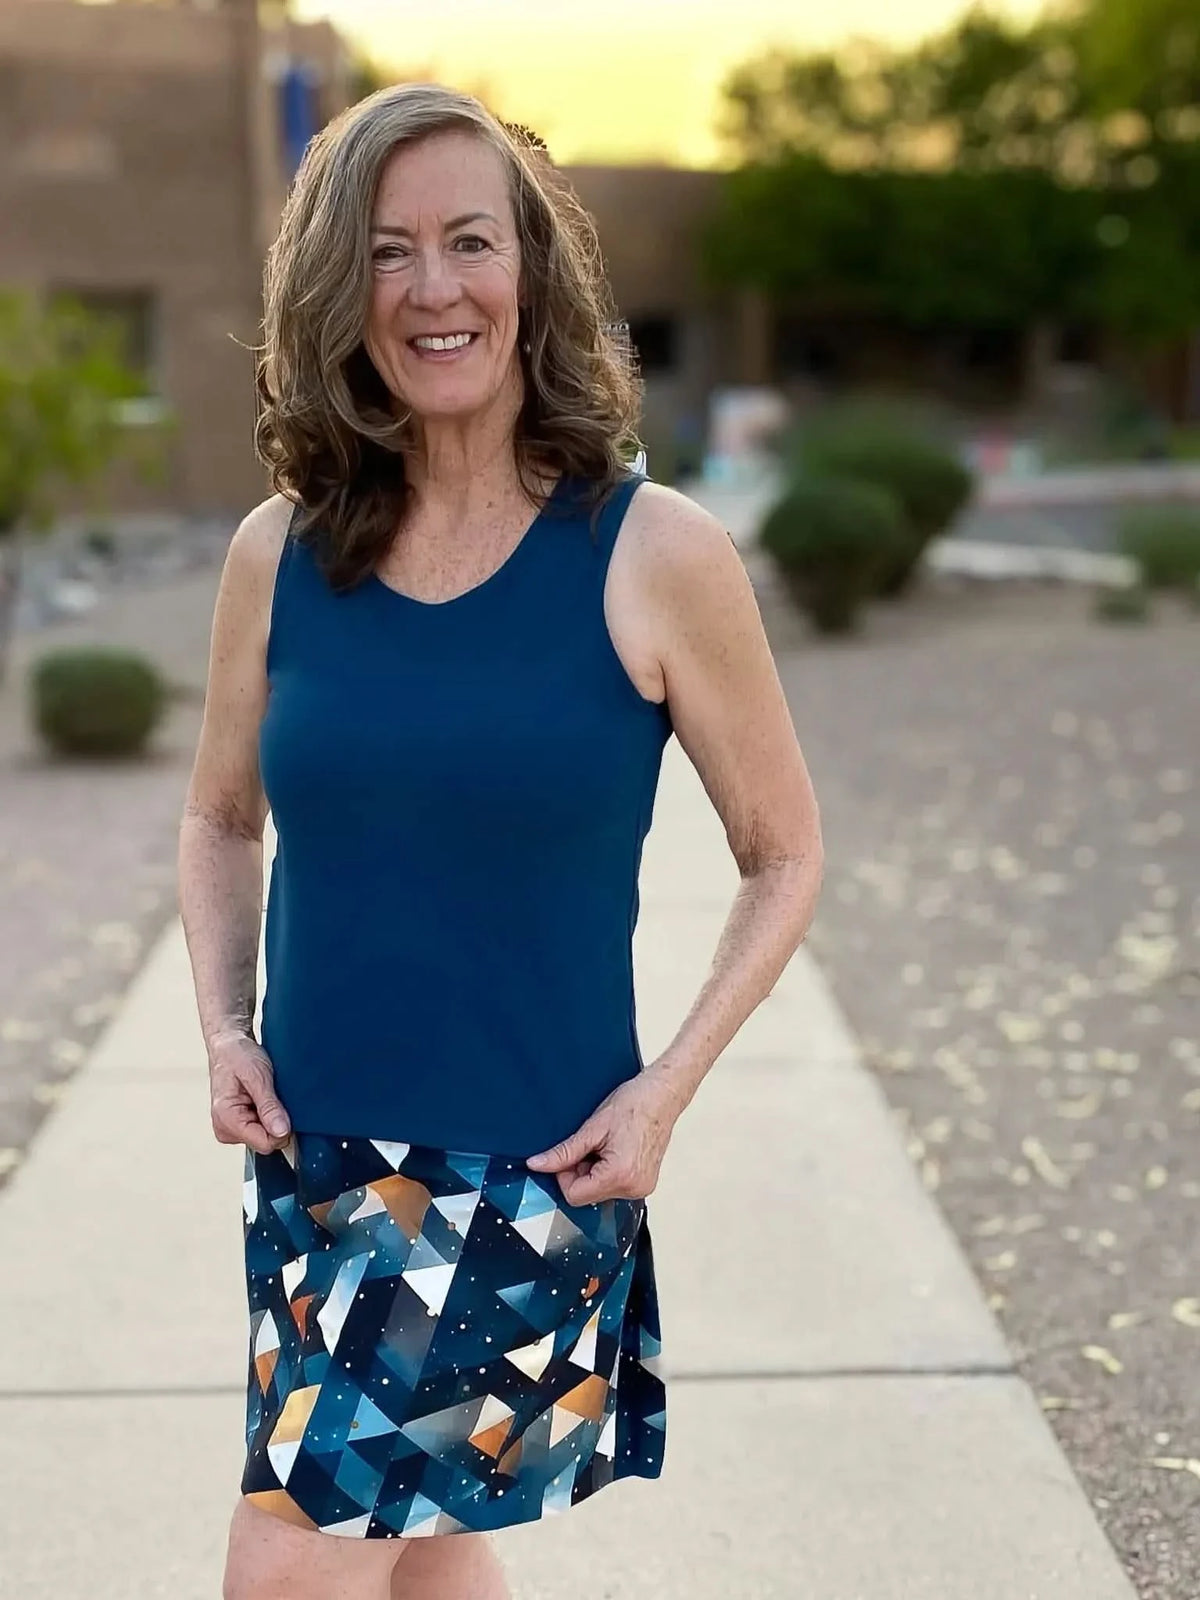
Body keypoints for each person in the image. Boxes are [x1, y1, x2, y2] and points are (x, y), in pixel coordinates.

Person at [177, 82, 823, 1600]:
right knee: (426, 1552)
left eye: (471, 242)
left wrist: (666, 1093)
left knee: (294, 1563)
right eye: (388, 252)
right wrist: (221, 1025)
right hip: (320, 1165)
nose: (433, 288)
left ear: (533, 276)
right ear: (341, 292)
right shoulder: (281, 551)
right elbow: (218, 815)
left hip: (524, 1174)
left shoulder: (656, 555)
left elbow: (786, 853)